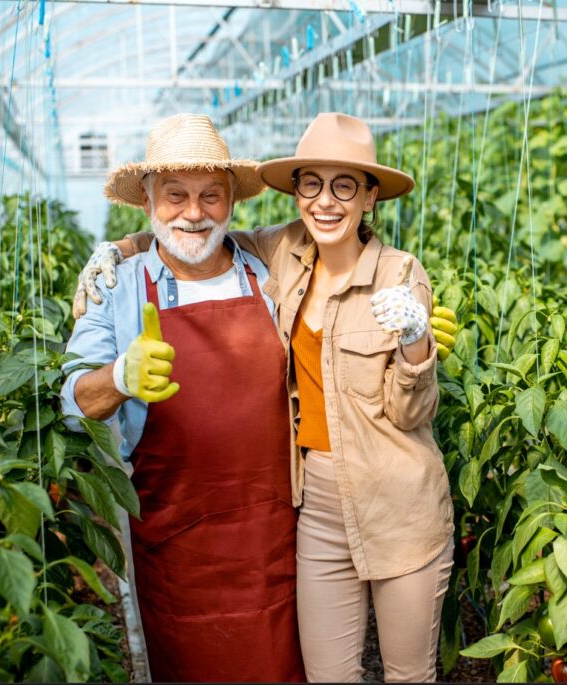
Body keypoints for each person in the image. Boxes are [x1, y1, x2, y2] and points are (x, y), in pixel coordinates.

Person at [78, 113, 457, 682]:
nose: (326, 201)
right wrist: (115, 253)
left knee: (401, 673)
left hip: (355, 506)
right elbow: (183, 237)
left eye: (345, 185)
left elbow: (410, 413)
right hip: (253, 519)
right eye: (312, 183)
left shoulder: (371, 273)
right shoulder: (262, 257)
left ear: (370, 197)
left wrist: (415, 343)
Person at [60, 113, 304, 682]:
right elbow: (72, 400)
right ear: (148, 202)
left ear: (231, 204)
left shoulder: (269, 274)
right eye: (175, 196)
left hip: (274, 541)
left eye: (210, 196)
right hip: (177, 548)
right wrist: (121, 376)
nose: (194, 213)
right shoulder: (118, 288)